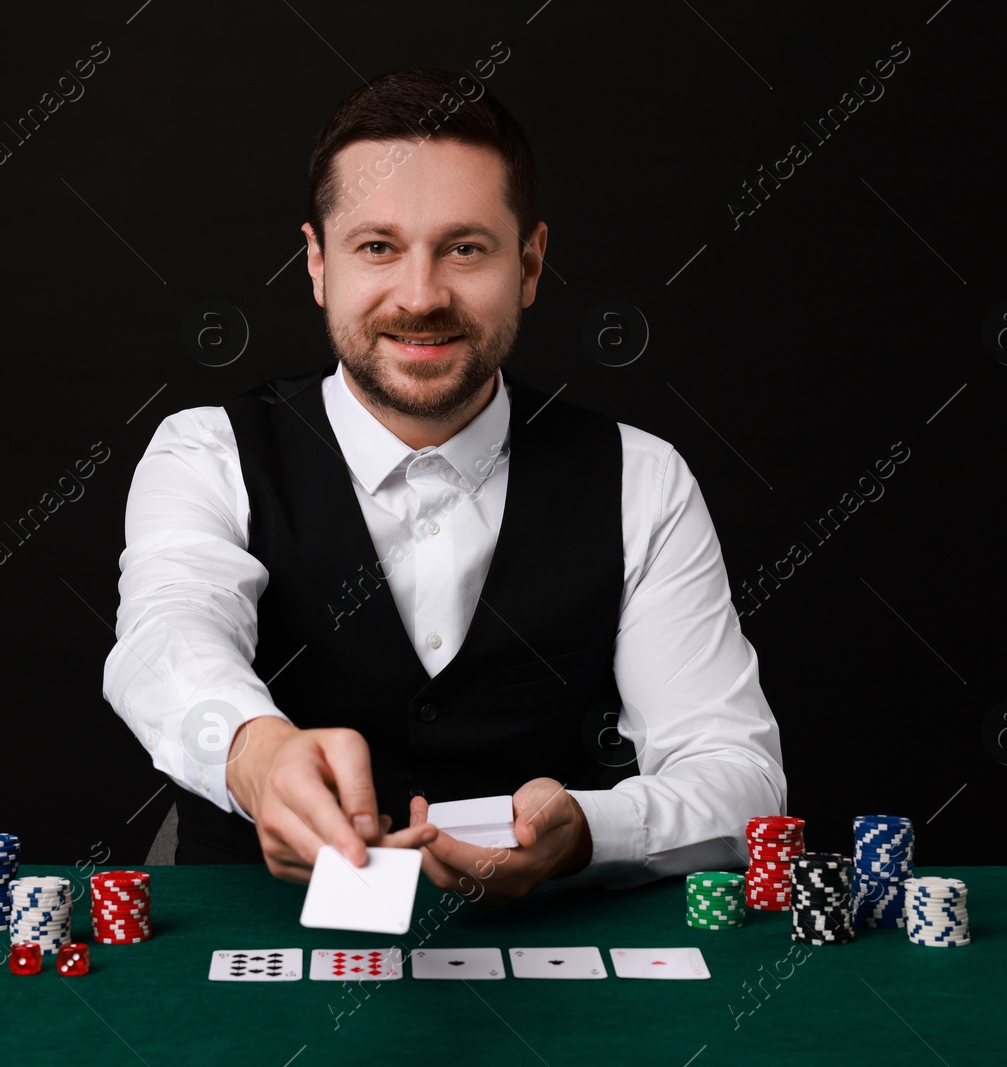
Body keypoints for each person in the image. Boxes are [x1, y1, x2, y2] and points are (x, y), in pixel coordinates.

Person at [103, 68, 784, 902]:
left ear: (530, 263)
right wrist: (254, 752)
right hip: (239, 931)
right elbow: (161, 644)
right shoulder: (205, 451)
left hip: (541, 962)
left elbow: (740, 776)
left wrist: (589, 830)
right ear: (318, 264)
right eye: (377, 247)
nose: (421, 297)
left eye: (465, 248)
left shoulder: (641, 477)